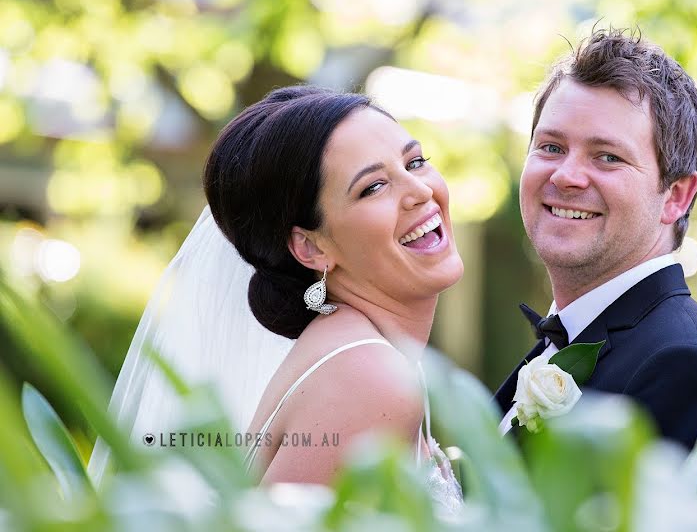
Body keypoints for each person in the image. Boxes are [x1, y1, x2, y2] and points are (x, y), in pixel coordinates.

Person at [89, 86, 464, 511]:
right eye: (373, 187)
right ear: (311, 247)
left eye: (415, 162)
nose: (419, 189)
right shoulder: (369, 377)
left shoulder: (362, 354)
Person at [494, 29, 697, 479]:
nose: (566, 176)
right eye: (551, 147)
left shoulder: (687, 371)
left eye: (607, 157)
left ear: (675, 196)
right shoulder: (567, 338)